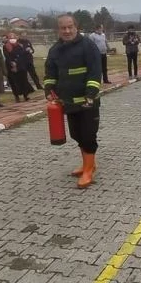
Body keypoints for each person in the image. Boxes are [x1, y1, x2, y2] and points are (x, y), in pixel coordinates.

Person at [44, 15, 102, 189]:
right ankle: (88, 164)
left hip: (87, 102)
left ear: (76, 27)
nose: (67, 31)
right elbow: (50, 73)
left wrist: (90, 94)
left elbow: (94, 71)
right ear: (59, 29)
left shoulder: (88, 46)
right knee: (76, 134)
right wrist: (49, 89)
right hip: (68, 103)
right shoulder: (55, 50)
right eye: (63, 28)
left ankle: (89, 171)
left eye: (70, 27)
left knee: (88, 136)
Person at [3, 32, 34, 102]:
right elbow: (7, 56)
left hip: (21, 66)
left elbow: (22, 54)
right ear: (8, 39)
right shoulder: (6, 46)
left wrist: (27, 51)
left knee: (23, 80)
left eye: (13, 38)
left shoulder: (19, 45)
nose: (12, 39)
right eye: (11, 38)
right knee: (14, 82)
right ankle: (16, 96)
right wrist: (12, 62)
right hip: (12, 67)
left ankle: (25, 95)